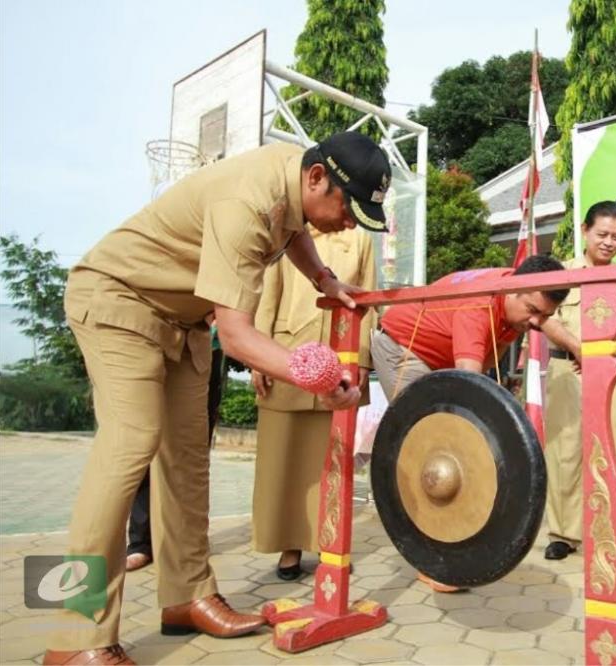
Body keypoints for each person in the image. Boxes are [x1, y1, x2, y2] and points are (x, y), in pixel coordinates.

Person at [44, 131, 389, 665]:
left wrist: (323, 276)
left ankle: (186, 596)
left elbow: (293, 229)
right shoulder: (246, 201)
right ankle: (73, 635)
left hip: (180, 319)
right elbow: (238, 337)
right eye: (348, 208)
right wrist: (317, 375)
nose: (349, 223)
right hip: (117, 297)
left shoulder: (294, 175)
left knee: (186, 461)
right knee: (129, 447)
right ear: (317, 177)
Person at [371, 255, 568, 591]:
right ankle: (434, 561)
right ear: (514, 291)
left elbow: (539, 317)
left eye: (544, 316)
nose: (537, 322)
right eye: (533, 312)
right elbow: (467, 392)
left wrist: (584, 350)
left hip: (440, 356)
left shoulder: (516, 290)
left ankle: (456, 536)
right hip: (404, 349)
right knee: (434, 447)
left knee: (455, 441)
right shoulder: (477, 308)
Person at [251, 226, 376, 580]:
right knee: (282, 459)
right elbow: (266, 297)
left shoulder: (360, 239)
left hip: (341, 353)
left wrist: (362, 357)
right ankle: (288, 547)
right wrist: (259, 355)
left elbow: (367, 299)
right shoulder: (288, 234)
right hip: (286, 354)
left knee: (332, 460)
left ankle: (330, 545)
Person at [540, 201, 616, 563]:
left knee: (613, 452)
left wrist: (607, 352)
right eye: (602, 234)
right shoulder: (560, 274)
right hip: (566, 370)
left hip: (611, 373)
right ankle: (563, 534)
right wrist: (579, 348)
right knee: (564, 451)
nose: (608, 243)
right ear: (585, 230)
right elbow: (544, 318)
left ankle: (612, 531)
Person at [124, 323, 226, 573]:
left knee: (192, 452)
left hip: (203, 345)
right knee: (140, 445)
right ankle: (141, 541)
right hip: (147, 337)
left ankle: (186, 542)